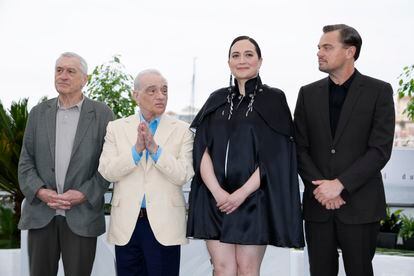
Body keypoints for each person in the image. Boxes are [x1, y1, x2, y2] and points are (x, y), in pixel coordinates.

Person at [187, 36, 304, 276]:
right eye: (236, 55)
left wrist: (241, 194)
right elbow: (201, 150)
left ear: (260, 61)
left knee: (247, 269)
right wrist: (218, 192)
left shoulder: (274, 98)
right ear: (228, 62)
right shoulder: (216, 99)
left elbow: (277, 155)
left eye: (249, 54)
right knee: (222, 268)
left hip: (253, 199)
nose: (242, 60)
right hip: (215, 199)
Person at [294, 24, 395, 276]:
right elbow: (298, 147)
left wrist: (340, 184)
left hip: (360, 204)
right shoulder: (307, 94)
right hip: (318, 206)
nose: (319, 52)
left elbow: (379, 150)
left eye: (327, 47)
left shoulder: (379, 91)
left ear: (350, 51)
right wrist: (321, 189)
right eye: (319, 48)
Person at [18, 52, 114, 276]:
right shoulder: (38, 113)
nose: (63, 76)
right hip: (42, 214)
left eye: (71, 71)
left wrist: (83, 193)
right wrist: (40, 191)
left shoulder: (102, 114)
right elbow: (25, 162)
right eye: (59, 70)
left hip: (81, 215)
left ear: (85, 79)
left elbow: (108, 165)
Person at [98, 69, 194, 276]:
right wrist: (136, 152)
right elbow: (107, 171)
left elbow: (183, 174)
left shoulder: (183, 130)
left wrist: (155, 151)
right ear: (136, 95)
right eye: (152, 91)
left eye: (164, 90)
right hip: (127, 226)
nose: (160, 96)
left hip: (165, 224)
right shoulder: (116, 128)